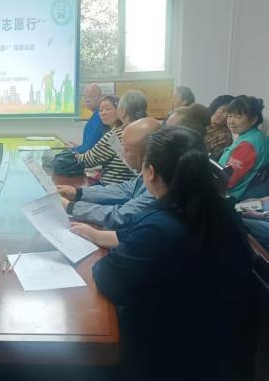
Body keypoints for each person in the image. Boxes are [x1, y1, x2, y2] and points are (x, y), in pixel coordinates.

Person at [71, 127, 256, 380]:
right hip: (222, 349)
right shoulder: (218, 209)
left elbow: (108, 279)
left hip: (170, 357)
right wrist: (95, 235)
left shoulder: (160, 226)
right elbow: (136, 237)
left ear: (150, 172)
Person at [59, 118, 161, 230]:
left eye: (127, 149)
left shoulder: (158, 186)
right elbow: (125, 190)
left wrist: (71, 207)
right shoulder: (147, 173)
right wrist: (78, 193)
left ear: (146, 154)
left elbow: (120, 216)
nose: (123, 154)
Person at [74, 95, 136, 185]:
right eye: (101, 110)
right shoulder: (127, 130)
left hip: (114, 187)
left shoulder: (114, 136)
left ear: (120, 111)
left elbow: (87, 160)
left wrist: (68, 155)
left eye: (108, 109)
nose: (103, 113)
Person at [219, 95, 267, 201]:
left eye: (238, 117)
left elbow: (228, 181)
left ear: (253, 120)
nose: (231, 121)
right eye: (229, 116)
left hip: (232, 197)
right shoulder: (255, 135)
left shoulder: (248, 145)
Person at [72, 84, 104, 153]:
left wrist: (74, 150)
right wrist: (79, 147)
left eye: (92, 96)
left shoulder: (100, 117)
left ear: (101, 97)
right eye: (85, 97)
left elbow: (90, 148)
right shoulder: (94, 116)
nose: (87, 100)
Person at [206, 94, 235, 159]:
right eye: (222, 110)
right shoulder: (200, 121)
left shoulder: (225, 135)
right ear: (215, 107)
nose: (225, 116)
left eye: (229, 113)